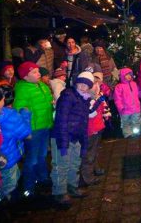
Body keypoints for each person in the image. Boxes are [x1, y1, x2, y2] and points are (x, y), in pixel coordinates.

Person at [51, 71, 93, 207]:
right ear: (76, 83)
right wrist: (63, 142)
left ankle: (72, 186)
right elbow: (61, 119)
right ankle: (59, 192)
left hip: (76, 137)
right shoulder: (68, 96)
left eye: (86, 85)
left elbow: (84, 121)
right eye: (81, 83)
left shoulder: (85, 99)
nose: (82, 87)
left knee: (74, 162)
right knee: (61, 165)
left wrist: (83, 141)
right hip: (62, 136)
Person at [13, 62, 54, 197]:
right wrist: (26, 131)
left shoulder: (42, 85)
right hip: (33, 130)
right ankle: (28, 187)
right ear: (25, 76)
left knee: (42, 155)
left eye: (38, 71)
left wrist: (51, 103)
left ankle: (43, 178)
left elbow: (47, 101)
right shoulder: (23, 89)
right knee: (32, 159)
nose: (39, 74)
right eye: (35, 72)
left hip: (44, 125)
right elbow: (20, 110)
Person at [80, 70, 109, 187]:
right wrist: (97, 100)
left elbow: (102, 108)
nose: (97, 88)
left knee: (95, 150)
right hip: (90, 130)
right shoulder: (86, 99)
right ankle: (87, 177)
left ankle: (95, 169)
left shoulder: (96, 96)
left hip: (97, 127)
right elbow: (91, 113)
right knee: (89, 154)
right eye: (94, 85)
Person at [0, 104, 32, 201]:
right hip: (8, 157)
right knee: (10, 186)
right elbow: (27, 134)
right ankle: (7, 207)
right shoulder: (10, 115)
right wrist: (25, 115)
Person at [113, 68, 141, 138]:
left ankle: (136, 133)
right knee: (126, 123)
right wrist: (120, 107)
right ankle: (128, 134)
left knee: (136, 121)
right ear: (122, 76)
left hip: (135, 108)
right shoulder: (119, 87)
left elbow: (138, 93)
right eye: (126, 75)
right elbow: (117, 99)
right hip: (125, 109)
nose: (129, 76)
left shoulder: (134, 84)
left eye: (130, 74)